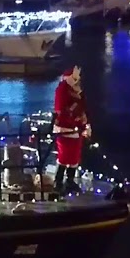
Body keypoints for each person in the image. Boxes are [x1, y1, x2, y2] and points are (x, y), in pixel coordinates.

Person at [52, 66, 90, 194]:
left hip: (76, 129)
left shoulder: (78, 93)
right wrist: (75, 117)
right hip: (64, 128)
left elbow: (83, 108)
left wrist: (84, 122)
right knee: (64, 155)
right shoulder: (62, 90)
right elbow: (62, 110)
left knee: (75, 156)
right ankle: (58, 181)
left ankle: (70, 181)